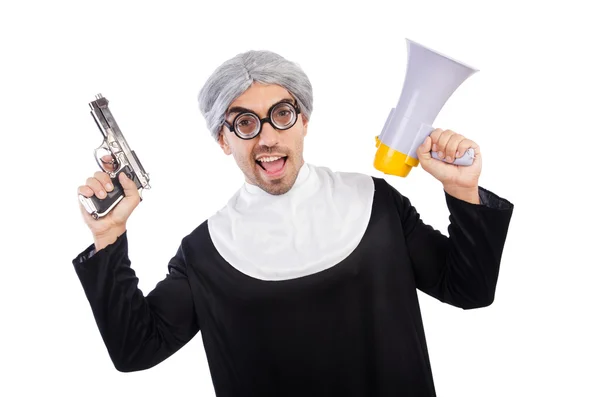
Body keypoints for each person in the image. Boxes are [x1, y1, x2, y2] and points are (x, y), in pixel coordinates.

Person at [73, 50, 514, 396]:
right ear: (223, 139)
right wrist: (109, 239)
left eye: (281, 114)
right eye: (244, 123)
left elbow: (469, 289)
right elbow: (136, 349)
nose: (267, 138)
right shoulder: (205, 253)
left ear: (303, 120)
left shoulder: (376, 204)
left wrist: (462, 191)